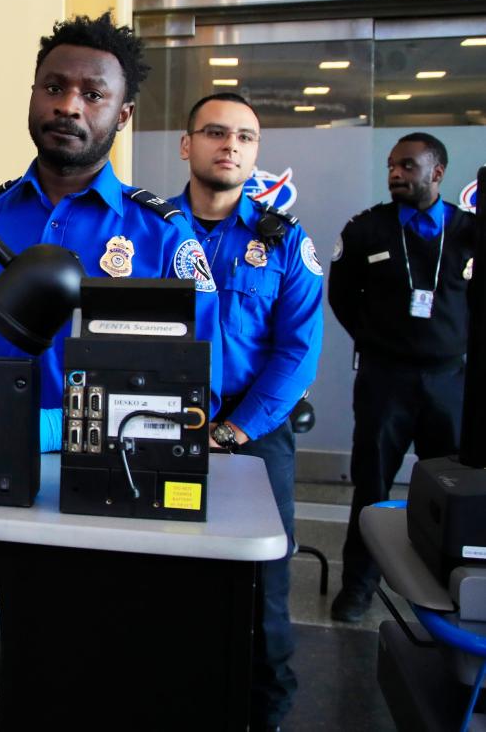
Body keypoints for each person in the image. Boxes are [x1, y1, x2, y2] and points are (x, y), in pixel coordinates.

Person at [0, 12, 223, 443]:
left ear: (123, 115)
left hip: (112, 477)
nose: (68, 105)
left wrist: (58, 430)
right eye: (54, 88)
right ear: (33, 95)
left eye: (94, 94)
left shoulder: (165, 237)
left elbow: (200, 390)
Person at [168, 93, 323, 732]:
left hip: (254, 434)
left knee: (264, 589)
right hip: (156, 424)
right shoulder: (142, 228)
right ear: (187, 145)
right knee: (161, 571)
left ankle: (266, 716)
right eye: (214, 132)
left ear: (255, 153)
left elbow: (298, 351)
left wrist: (232, 431)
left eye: (245, 137)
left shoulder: (284, 241)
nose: (230, 145)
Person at [328, 132, 475, 623]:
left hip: (449, 382)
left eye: (408, 166)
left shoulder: (470, 232)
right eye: (393, 166)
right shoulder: (367, 230)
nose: (396, 174)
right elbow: (343, 295)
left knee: (453, 492)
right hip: (384, 381)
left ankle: (447, 588)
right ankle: (358, 588)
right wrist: (376, 340)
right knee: (371, 488)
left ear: (436, 172)